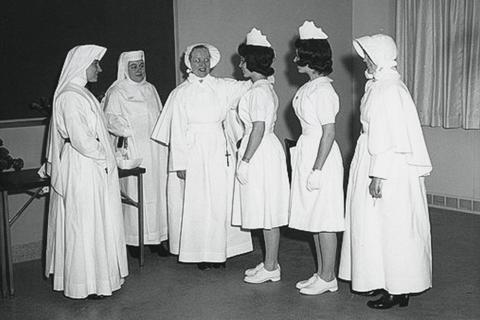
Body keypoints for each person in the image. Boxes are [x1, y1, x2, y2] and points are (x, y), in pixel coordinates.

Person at [338, 34, 433, 309]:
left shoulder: (388, 90)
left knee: (391, 226)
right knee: (375, 226)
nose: (365, 60)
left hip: (386, 166)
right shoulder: (381, 86)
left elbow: (390, 137)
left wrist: (378, 175)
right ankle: (380, 279)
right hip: (376, 159)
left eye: (368, 56)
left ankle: (397, 288)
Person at [151, 42, 253, 269]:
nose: (202, 65)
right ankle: (200, 252)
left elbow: (248, 87)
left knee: (219, 199)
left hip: (218, 147)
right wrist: (180, 163)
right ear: (189, 62)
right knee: (198, 203)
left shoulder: (222, 86)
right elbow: (176, 129)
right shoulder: (180, 93)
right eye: (197, 60)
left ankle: (219, 251)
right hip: (193, 151)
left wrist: (263, 77)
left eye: (206, 60)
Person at [44, 45, 128, 299]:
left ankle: (100, 279)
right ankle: (84, 282)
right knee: (84, 222)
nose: (100, 69)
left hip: (91, 164)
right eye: (96, 64)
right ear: (82, 65)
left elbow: (97, 127)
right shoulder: (70, 96)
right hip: (82, 165)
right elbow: (82, 139)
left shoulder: (82, 94)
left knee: (96, 220)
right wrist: (107, 156)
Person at [288, 21, 345, 295]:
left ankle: (328, 275)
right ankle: (322, 273)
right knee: (314, 217)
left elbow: (329, 133)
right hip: (308, 151)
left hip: (321, 157)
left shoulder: (323, 90)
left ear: (311, 58)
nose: (295, 59)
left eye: (299, 54)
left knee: (325, 219)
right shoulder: (310, 87)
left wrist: (318, 169)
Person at [232, 28, 289, 284]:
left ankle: (272, 266)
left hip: (260, 152)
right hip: (263, 149)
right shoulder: (261, 88)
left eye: (243, 61)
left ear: (252, 62)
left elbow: (258, 127)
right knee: (265, 209)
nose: (241, 65)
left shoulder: (258, 92)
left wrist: (245, 161)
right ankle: (270, 263)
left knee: (267, 210)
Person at [103, 50, 168, 250]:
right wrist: (126, 130)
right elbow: (109, 119)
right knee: (136, 194)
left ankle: (157, 238)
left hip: (155, 150)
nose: (138, 70)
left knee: (157, 192)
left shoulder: (151, 89)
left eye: (141, 65)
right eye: (133, 66)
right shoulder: (118, 91)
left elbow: (160, 116)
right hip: (133, 150)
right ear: (125, 68)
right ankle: (134, 240)